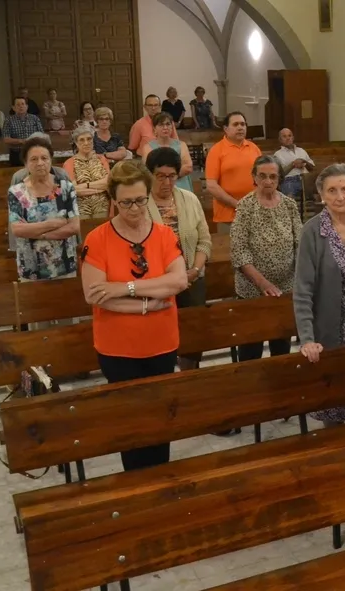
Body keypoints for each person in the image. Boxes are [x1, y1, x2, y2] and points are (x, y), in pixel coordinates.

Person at [80, 160, 189, 471]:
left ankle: (158, 482)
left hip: (162, 344)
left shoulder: (164, 235)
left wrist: (123, 288)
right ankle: (135, 487)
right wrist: (145, 303)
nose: (134, 209)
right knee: (130, 425)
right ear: (113, 200)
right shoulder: (97, 239)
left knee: (160, 421)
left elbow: (178, 281)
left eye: (141, 200)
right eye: (126, 202)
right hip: (119, 349)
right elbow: (94, 295)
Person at [294, 164, 345, 427]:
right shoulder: (311, 230)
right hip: (329, 330)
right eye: (332, 190)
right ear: (322, 196)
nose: (339, 196)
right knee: (334, 403)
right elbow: (303, 289)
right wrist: (307, 339)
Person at [145, 147, 212, 371]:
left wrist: (194, 269)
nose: (167, 182)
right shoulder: (140, 204)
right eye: (160, 176)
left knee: (193, 337)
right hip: (157, 283)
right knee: (159, 338)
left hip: (192, 279)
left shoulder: (190, 200)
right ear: (150, 175)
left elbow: (204, 240)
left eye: (171, 176)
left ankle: (190, 377)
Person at [231, 156, 302, 363]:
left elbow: (300, 243)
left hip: (285, 289)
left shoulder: (289, 205)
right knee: (250, 349)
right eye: (262, 176)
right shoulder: (245, 206)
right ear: (254, 177)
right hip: (252, 291)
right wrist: (263, 283)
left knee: (281, 347)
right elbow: (239, 251)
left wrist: (299, 280)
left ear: (279, 179)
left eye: (273, 176)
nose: (268, 181)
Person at [8, 135, 80, 281]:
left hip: (64, 264)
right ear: (26, 163)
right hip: (31, 267)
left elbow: (74, 227)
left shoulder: (65, 187)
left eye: (44, 158)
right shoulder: (17, 192)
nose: (40, 163)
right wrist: (52, 224)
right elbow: (17, 229)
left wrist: (39, 234)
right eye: (34, 159)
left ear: (50, 160)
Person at [205, 111, 262, 233]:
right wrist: (237, 204)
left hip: (254, 211)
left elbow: (262, 178)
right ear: (226, 128)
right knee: (229, 250)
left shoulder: (254, 148)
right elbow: (211, 185)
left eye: (243, 124)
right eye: (235, 124)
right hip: (228, 215)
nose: (240, 127)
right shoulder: (216, 151)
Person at [62, 125, 111, 219]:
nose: (86, 143)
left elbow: (108, 183)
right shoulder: (69, 163)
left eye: (89, 139)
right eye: (82, 140)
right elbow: (74, 190)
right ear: (76, 142)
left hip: (103, 206)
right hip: (81, 209)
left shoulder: (101, 159)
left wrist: (85, 185)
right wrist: (99, 189)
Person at [138, 112, 194, 192]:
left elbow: (188, 167)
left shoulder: (181, 145)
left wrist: (166, 176)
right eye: (161, 125)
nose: (165, 127)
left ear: (172, 127)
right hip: (159, 186)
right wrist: (168, 176)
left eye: (168, 124)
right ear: (154, 128)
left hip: (181, 186)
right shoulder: (148, 147)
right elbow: (148, 171)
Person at [272, 127, 314, 212]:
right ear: (280, 139)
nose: (288, 138)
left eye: (289, 136)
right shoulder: (278, 154)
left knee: (320, 188)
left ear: (293, 137)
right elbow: (280, 173)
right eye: (284, 136)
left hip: (305, 179)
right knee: (289, 194)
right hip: (289, 179)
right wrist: (293, 164)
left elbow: (312, 167)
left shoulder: (301, 151)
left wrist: (304, 161)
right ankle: (291, 217)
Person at [3, 96, 44, 166]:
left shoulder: (35, 118)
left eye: (23, 104)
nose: (21, 106)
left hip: (34, 152)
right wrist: (21, 141)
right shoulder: (8, 120)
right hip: (16, 154)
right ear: (13, 107)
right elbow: (6, 139)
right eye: (18, 105)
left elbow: (42, 135)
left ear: (27, 106)